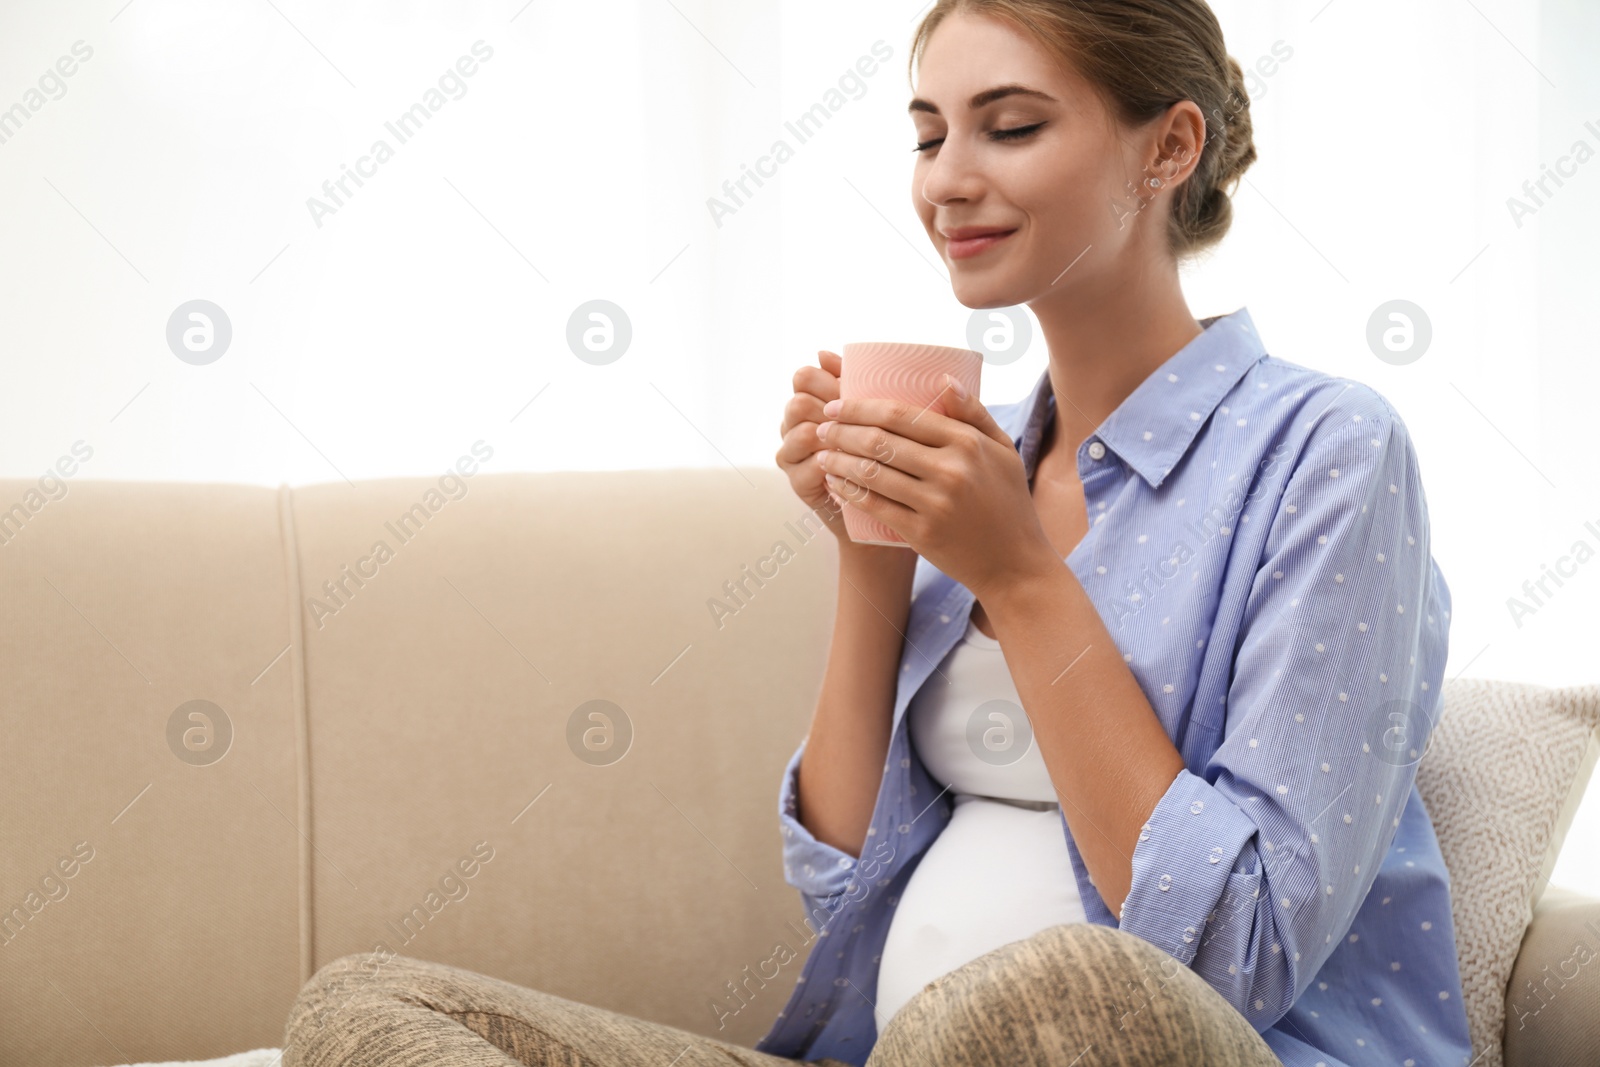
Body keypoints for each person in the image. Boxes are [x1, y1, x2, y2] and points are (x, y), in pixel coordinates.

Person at [282, 2, 1475, 1065]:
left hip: (1165, 1037)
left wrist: (1017, 572)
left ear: (1168, 146)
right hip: (892, 1048)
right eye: (926, 134)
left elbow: (1236, 946)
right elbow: (844, 884)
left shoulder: (1327, 449)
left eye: (1006, 127)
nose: (945, 179)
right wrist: (871, 553)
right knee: (368, 1014)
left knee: (1053, 994)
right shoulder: (984, 451)